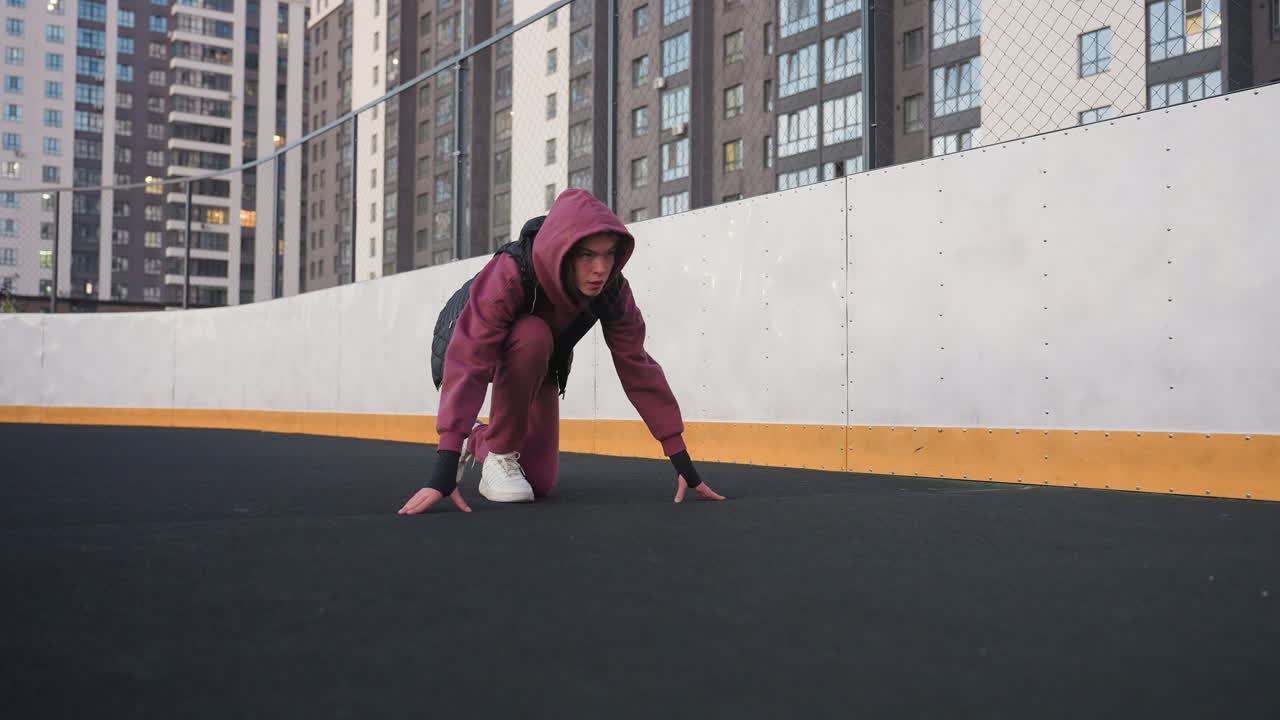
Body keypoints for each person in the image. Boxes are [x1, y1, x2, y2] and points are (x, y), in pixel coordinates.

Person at [398, 189, 724, 514]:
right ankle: (497, 451)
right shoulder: (512, 271)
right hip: (463, 335)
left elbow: (638, 367)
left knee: (537, 485)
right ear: (563, 251)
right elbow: (469, 360)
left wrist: (681, 460)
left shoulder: (611, 289)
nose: (600, 268)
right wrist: (444, 467)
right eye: (586, 255)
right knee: (533, 333)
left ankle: (482, 440)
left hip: (538, 360)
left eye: (609, 254)